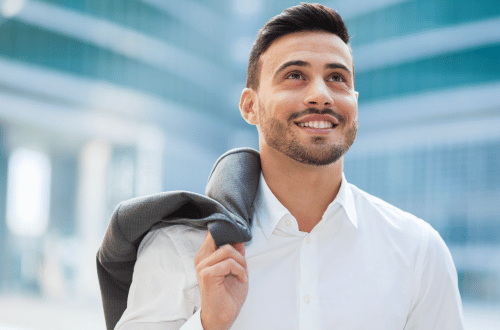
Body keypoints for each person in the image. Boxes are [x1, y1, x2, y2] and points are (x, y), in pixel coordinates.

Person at [114, 3, 464, 329]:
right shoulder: (177, 247)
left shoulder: (419, 251)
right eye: (295, 75)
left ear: (354, 104)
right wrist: (209, 323)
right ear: (250, 106)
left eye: (337, 78)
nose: (321, 94)